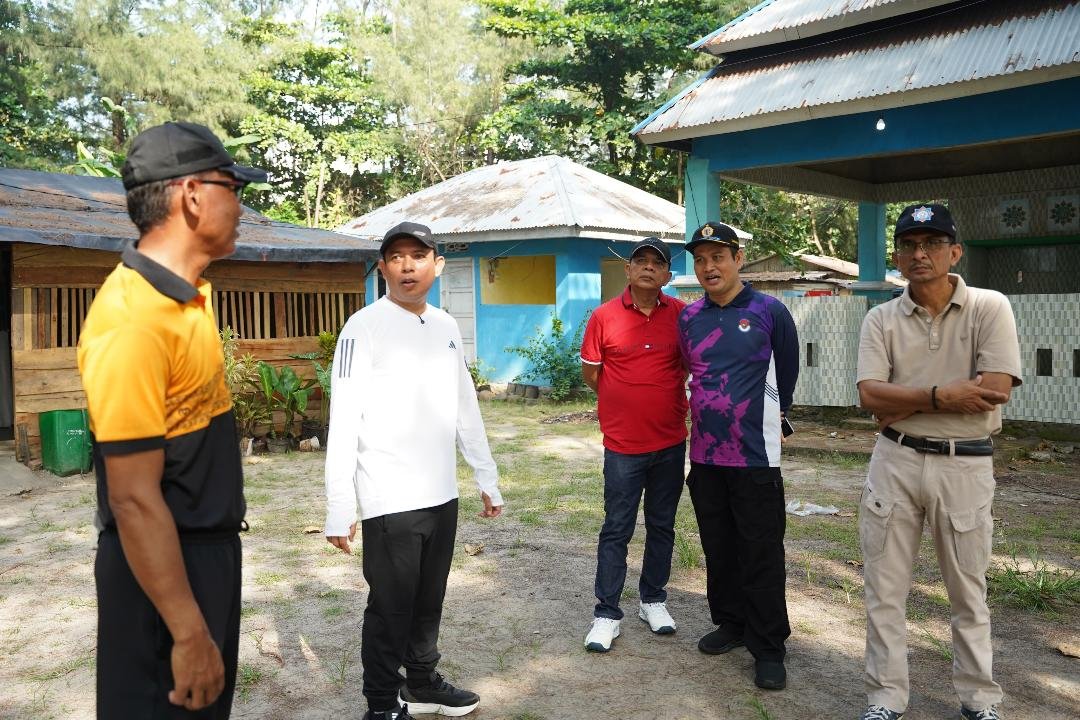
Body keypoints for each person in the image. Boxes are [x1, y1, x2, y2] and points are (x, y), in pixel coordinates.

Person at [78, 121, 266, 717]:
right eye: (232, 187)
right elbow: (132, 499)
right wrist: (186, 631)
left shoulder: (185, 296)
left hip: (203, 556)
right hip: (162, 571)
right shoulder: (132, 319)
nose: (241, 205)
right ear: (191, 195)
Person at [324, 221, 504, 720]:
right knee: (391, 608)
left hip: (440, 493)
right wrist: (340, 507)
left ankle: (422, 683)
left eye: (418, 255)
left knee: (429, 600)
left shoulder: (445, 326)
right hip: (390, 497)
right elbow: (344, 418)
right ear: (382, 267)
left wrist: (485, 479)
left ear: (437, 265)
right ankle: (382, 704)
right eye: (396, 256)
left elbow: (465, 406)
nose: (408, 265)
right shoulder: (363, 326)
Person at [855, 203, 1020, 720]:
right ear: (898, 256)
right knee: (884, 588)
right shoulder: (880, 317)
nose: (919, 254)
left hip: (964, 465)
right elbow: (867, 397)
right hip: (895, 462)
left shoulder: (990, 307)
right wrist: (942, 395)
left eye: (931, 243)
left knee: (968, 590)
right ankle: (885, 698)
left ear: (955, 251)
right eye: (908, 245)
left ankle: (978, 700)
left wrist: (902, 401)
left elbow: (995, 389)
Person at [678, 221, 799, 691]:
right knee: (719, 546)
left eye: (718, 257)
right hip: (705, 456)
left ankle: (768, 645)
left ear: (738, 259)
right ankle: (731, 623)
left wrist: (775, 421)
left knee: (761, 551)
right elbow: (694, 372)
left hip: (755, 457)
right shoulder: (690, 318)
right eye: (701, 259)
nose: (709, 267)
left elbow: (784, 379)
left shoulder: (770, 312)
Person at [579, 237, 689, 652]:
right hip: (623, 445)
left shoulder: (681, 315)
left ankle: (653, 599)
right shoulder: (604, 316)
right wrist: (621, 400)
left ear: (667, 275)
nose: (647, 268)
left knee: (662, 525)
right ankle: (607, 613)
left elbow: (692, 367)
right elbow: (594, 375)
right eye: (639, 261)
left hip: (670, 442)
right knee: (617, 528)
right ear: (627, 270)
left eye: (656, 263)